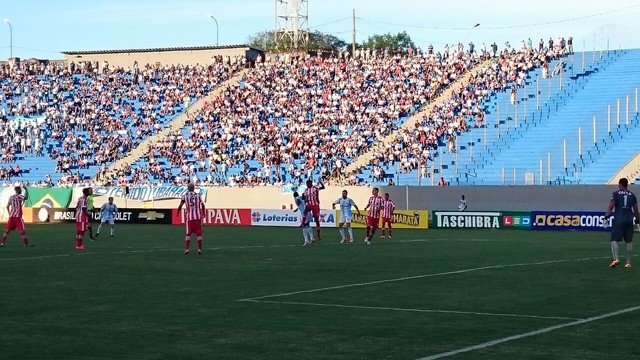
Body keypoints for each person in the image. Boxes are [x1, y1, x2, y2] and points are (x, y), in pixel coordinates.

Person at [605, 178, 640, 269]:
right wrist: (637, 221)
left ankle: (616, 259)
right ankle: (628, 263)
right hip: (629, 219)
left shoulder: (616, 194)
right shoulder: (632, 195)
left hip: (619, 219)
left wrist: (606, 217)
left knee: (614, 239)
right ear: (627, 185)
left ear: (620, 184)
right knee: (629, 241)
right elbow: (636, 210)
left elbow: (611, 206)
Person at [177, 183, 206, 255]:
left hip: (189, 217)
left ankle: (187, 249)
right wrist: (204, 213)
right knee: (199, 233)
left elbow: (180, 205)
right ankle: (199, 249)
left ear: (188, 188)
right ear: (194, 188)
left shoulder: (185, 196)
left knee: (188, 233)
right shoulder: (198, 195)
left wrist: (178, 212)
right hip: (198, 217)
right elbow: (203, 205)